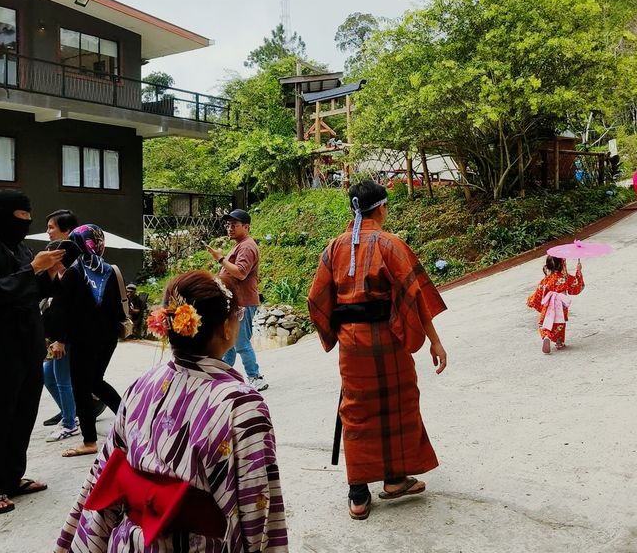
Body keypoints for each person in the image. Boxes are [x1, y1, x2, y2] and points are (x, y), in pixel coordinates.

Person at [54, 270, 288, 552]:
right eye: (236, 317)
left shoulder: (141, 385)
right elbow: (258, 508)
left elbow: (104, 476)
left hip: (129, 543)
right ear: (226, 328)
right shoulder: (241, 405)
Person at [307, 181, 448, 520]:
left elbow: (317, 298)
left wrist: (337, 329)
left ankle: (361, 492)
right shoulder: (390, 243)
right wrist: (434, 340)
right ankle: (395, 478)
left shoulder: (333, 247)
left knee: (356, 409)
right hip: (388, 338)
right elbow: (415, 296)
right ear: (381, 208)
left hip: (352, 345)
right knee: (399, 403)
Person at [0, 189, 66, 514]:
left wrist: (49, 272)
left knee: (24, 412)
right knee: (1, 413)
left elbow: (36, 289)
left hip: (27, 343)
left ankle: (13, 478)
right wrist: (33, 270)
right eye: (18, 219)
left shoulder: (22, 248)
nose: (24, 225)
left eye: (28, 220)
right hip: (1, 345)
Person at [45, 224, 125, 457]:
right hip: (108, 339)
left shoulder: (74, 272)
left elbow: (62, 309)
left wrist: (59, 339)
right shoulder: (109, 270)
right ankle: (130, 420)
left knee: (82, 387)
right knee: (95, 382)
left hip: (83, 339)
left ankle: (90, 441)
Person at [208, 209, 268, 392]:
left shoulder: (247, 246)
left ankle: (255, 377)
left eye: (235, 225)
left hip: (244, 301)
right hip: (236, 301)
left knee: (240, 342)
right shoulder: (239, 245)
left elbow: (241, 273)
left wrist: (220, 259)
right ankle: (225, 377)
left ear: (246, 227)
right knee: (230, 342)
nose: (230, 228)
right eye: (228, 225)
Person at [41, 209, 80, 439]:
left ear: (66, 231)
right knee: (48, 374)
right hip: (59, 336)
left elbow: (70, 310)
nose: (48, 232)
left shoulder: (73, 269)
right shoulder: (58, 269)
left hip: (67, 337)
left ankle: (69, 423)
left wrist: (61, 339)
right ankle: (71, 413)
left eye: (51, 227)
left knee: (63, 380)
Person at [527, 255, 584, 354]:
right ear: (561, 265)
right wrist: (578, 271)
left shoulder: (546, 279)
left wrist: (531, 300)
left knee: (545, 322)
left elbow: (539, 292)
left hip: (548, 304)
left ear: (548, 266)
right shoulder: (565, 278)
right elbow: (576, 287)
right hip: (560, 306)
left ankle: (546, 336)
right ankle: (559, 342)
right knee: (559, 323)